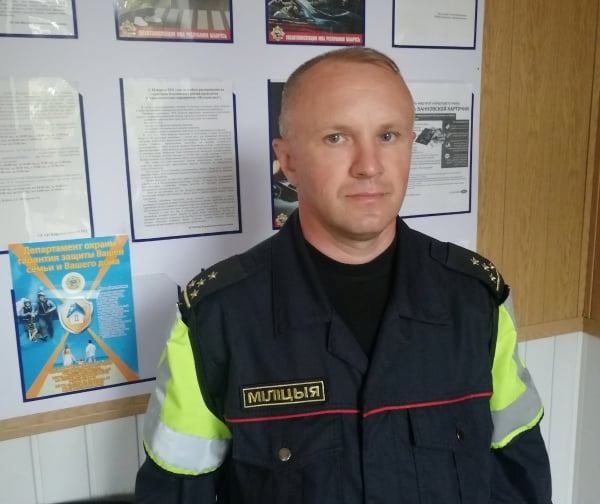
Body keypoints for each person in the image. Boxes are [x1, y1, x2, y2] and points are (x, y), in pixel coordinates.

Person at [136, 48, 552, 503]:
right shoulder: (216, 320)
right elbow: (175, 492)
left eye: (388, 135)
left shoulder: (475, 301)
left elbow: (519, 479)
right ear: (288, 161)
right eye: (337, 138)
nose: (369, 165)